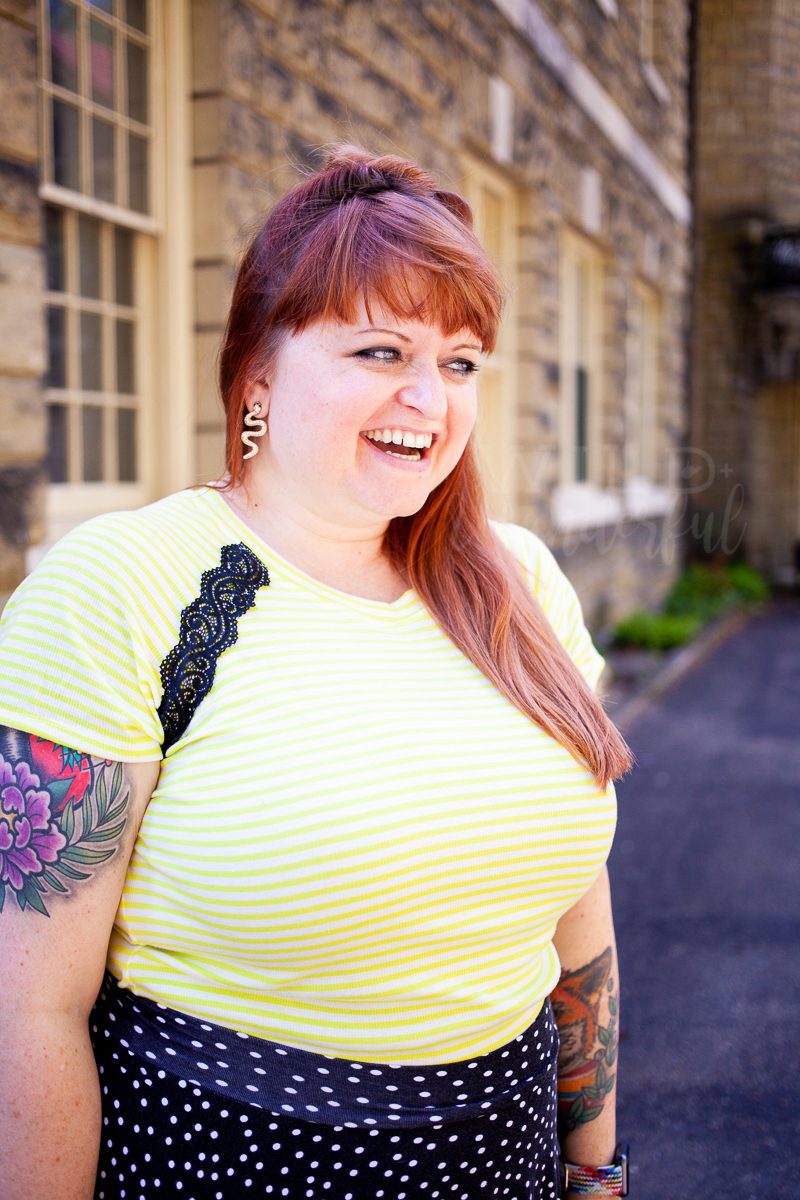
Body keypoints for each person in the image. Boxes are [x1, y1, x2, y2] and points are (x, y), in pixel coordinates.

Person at [0, 146, 632, 1200]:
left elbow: (574, 906)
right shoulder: (121, 585)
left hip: (508, 1156)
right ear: (257, 373)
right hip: (234, 1160)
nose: (428, 399)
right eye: (381, 351)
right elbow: (29, 1011)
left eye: (460, 362)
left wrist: (597, 1167)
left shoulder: (519, 579)